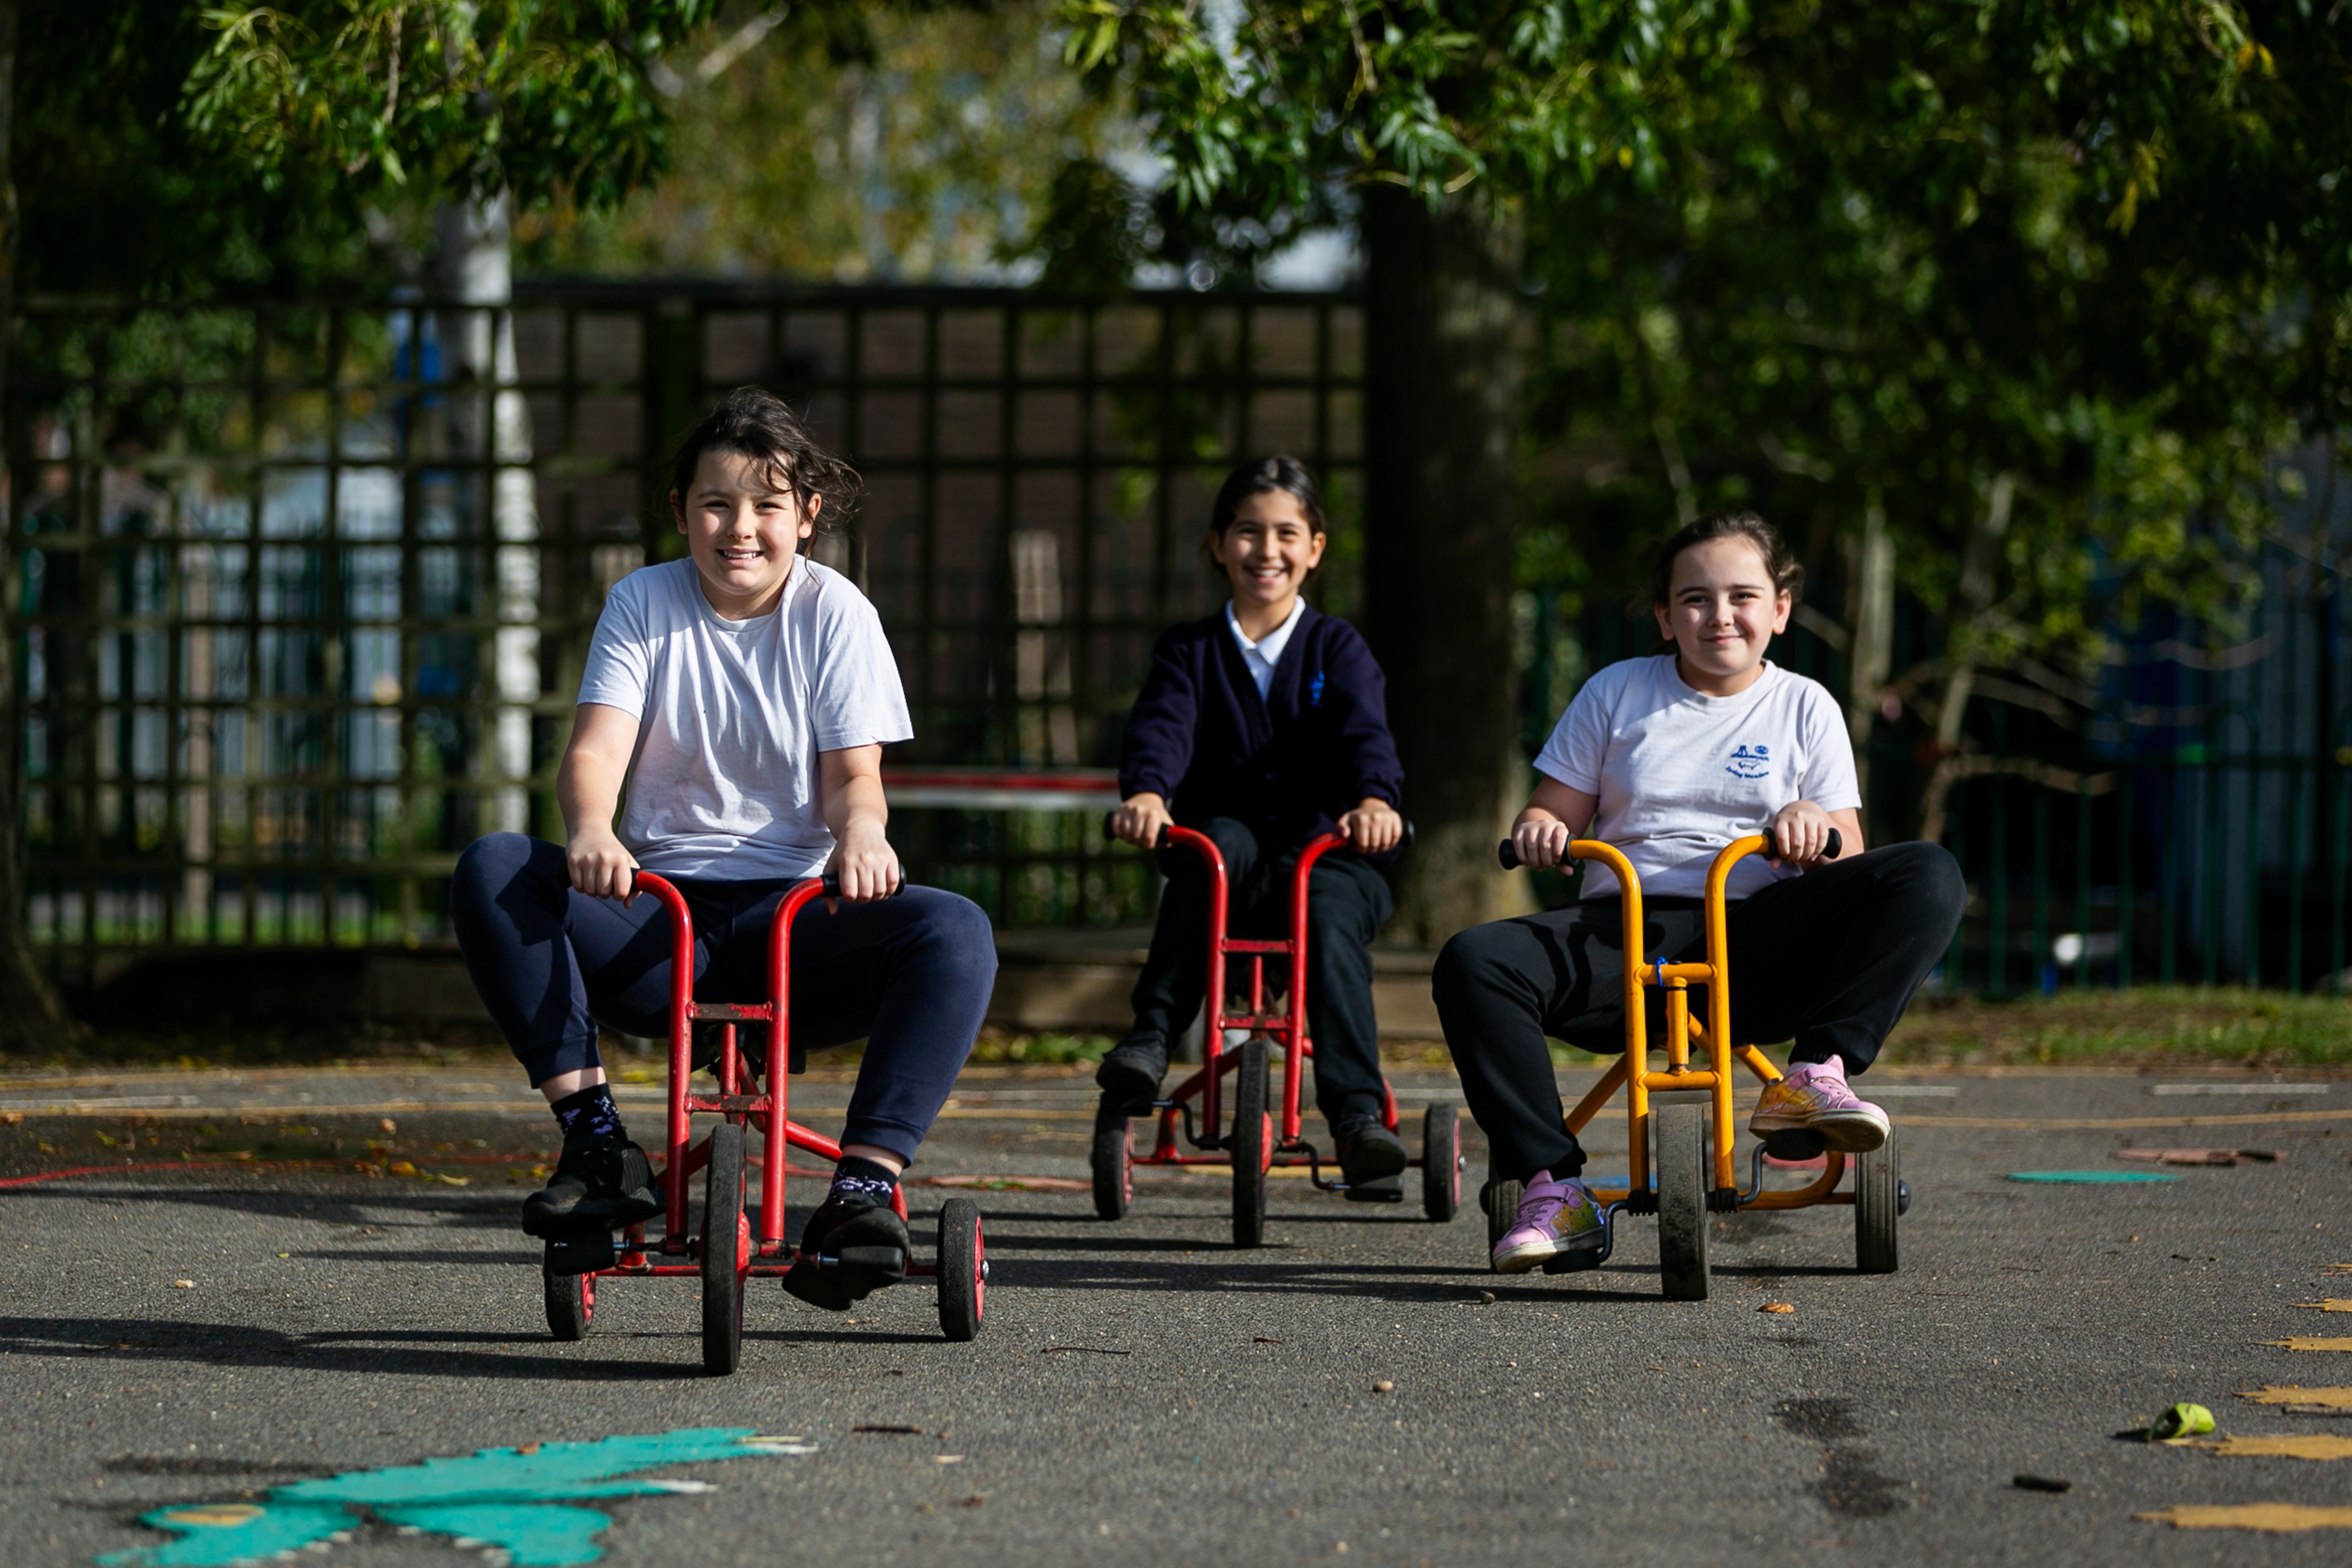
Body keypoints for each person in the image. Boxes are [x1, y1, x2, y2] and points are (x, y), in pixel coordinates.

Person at [449, 386, 997, 1310]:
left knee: (957, 931)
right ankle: (597, 1141)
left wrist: (864, 833)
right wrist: (594, 830)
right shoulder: (643, 602)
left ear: (807, 516)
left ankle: (863, 1189)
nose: (741, 529)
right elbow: (596, 753)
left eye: (767, 506)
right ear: (681, 512)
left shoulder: (837, 614)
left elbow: (853, 778)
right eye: (716, 504)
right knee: (496, 868)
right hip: (663, 923)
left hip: (800, 924)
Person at [1433, 510, 1964, 1272]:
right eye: (1695, 599)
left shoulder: (1805, 705)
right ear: (1664, 617)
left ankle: (1816, 1073)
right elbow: (1549, 811)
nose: (1720, 616)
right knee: (1473, 959)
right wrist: (1542, 828)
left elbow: (1849, 850)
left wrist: (1811, 820)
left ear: (1780, 610)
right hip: (1624, 933)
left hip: (1755, 938)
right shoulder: (1617, 692)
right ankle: (1553, 1184)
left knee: (1928, 873)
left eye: (1743, 596)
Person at [1098, 456, 1411, 1195]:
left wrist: (1374, 802)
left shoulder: (1338, 648)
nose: (1266, 551)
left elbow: (1366, 736)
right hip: (1230, 867)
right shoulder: (1190, 651)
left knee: (1328, 911)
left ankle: (1357, 1115)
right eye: (1247, 532)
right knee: (1215, 847)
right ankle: (1152, 1037)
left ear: (1315, 548)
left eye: (1286, 534)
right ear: (1217, 545)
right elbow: (1162, 730)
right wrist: (1148, 795)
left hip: (1328, 856)